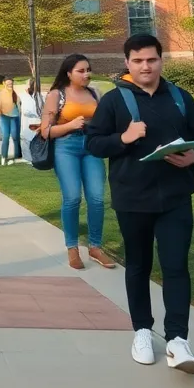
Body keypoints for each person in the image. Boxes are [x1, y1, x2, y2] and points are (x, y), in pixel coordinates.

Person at [86, 34, 194, 375]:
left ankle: (177, 340)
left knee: (175, 266)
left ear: (161, 61)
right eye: (139, 60)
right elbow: (94, 143)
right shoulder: (114, 101)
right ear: (127, 63)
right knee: (139, 266)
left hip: (175, 197)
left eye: (152, 60)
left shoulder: (180, 98)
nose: (146, 66)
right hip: (132, 198)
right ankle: (142, 331)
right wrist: (123, 138)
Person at [38, 54, 114, 270]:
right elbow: (46, 132)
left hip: (92, 147)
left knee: (97, 198)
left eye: (88, 70)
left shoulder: (95, 93)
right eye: (81, 71)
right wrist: (70, 125)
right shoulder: (56, 95)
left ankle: (95, 247)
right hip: (66, 148)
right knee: (72, 198)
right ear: (68, 73)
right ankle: (72, 248)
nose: (86, 74)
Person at [0, 77, 25, 166]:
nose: (10, 85)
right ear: (4, 83)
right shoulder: (0, 95)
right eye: (8, 83)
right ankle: (4, 157)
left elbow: (19, 105)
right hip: (4, 117)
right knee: (6, 136)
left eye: (11, 83)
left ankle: (18, 156)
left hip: (15, 117)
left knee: (16, 137)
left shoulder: (15, 94)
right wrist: (0, 116)